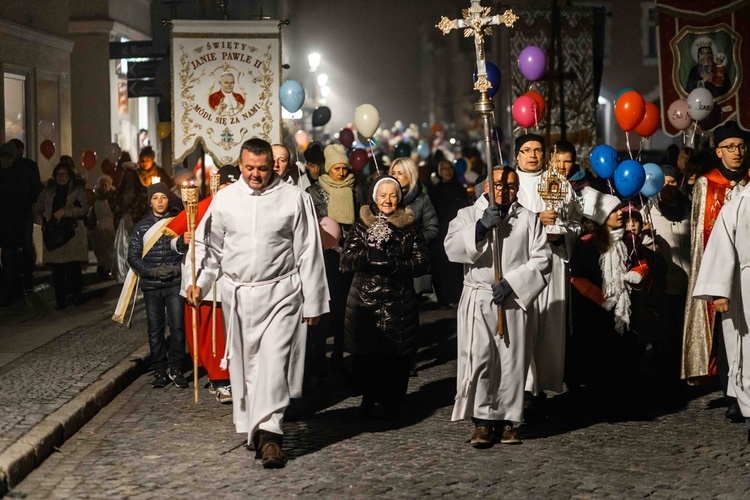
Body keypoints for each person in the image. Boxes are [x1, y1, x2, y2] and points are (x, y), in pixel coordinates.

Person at [186, 138, 329, 469]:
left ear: (272, 167)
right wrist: (198, 282)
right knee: (248, 368)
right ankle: (255, 427)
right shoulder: (225, 200)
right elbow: (211, 248)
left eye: (262, 168)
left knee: (274, 363)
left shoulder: (293, 199)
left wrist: (315, 300)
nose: (256, 174)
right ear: (239, 164)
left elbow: (308, 250)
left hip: (282, 293)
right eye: (249, 168)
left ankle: (272, 436)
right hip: (239, 296)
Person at [445, 166, 551, 447]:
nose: (506, 190)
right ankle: (482, 423)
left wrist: (513, 283)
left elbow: (542, 259)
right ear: (488, 187)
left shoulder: (528, 219)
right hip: (479, 297)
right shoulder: (468, 215)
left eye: (512, 185)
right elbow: (451, 248)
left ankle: (507, 422)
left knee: (511, 363)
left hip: (512, 299)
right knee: (479, 359)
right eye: (500, 185)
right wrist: (480, 228)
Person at [340, 176, 429, 419]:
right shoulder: (361, 224)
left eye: (392, 195)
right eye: (383, 195)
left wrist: (394, 264)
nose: (387, 200)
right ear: (375, 198)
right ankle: (368, 399)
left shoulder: (410, 226)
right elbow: (346, 261)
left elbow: (421, 262)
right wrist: (366, 255)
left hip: (398, 301)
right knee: (367, 355)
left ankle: (393, 402)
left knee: (396, 359)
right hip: (365, 301)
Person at [682, 121, 749, 422]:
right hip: (721, 268)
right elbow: (700, 238)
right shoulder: (706, 184)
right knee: (727, 335)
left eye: (741, 147)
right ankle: (732, 393)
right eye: (731, 147)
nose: (738, 153)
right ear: (718, 151)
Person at [514, 133, 581, 416]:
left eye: (538, 150)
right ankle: (523, 388)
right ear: (517, 155)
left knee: (548, 327)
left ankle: (540, 386)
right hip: (519, 264)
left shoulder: (559, 184)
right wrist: (535, 221)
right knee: (523, 325)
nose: (532, 156)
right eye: (526, 150)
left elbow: (576, 222)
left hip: (552, 264)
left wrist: (561, 234)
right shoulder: (509, 184)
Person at [166, 165, 240, 403]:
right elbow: (169, 237)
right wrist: (181, 241)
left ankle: (227, 376)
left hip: (234, 280)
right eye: (225, 185)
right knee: (210, 332)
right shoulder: (203, 206)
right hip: (204, 278)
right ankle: (218, 378)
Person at [568, 188, 649, 402]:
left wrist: (638, 273)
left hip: (625, 308)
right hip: (595, 313)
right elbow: (577, 278)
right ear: (603, 218)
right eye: (614, 211)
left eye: (619, 209)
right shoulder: (587, 245)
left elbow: (641, 262)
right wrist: (602, 300)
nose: (620, 213)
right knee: (599, 356)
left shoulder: (627, 241)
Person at [692, 182, 750, 430]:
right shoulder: (738, 204)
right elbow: (722, 246)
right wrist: (719, 290)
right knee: (745, 347)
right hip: (745, 286)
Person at [127, 182, 189, 389]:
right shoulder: (142, 227)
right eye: (155, 198)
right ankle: (160, 370)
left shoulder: (178, 222)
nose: (160, 201)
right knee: (155, 329)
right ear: (150, 201)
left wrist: (177, 266)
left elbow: (184, 248)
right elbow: (133, 257)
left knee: (178, 327)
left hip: (174, 283)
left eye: (163, 197)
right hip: (152, 285)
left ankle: (177, 368)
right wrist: (151, 271)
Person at [307, 143, 362, 374]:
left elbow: (359, 222)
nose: (341, 173)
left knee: (343, 310)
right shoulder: (313, 193)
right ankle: (318, 360)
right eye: (336, 168)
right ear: (327, 168)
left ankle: (340, 353)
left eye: (344, 169)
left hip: (347, 258)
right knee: (323, 309)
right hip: (323, 258)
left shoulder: (354, 190)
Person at [33, 162, 89, 310]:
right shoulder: (49, 191)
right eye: (59, 174)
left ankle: (77, 295)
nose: (61, 177)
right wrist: (40, 219)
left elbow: (84, 209)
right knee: (57, 269)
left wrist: (65, 211)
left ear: (70, 175)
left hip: (71, 233)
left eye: (64, 174)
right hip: (54, 233)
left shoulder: (77, 190)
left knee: (72, 266)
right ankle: (61, 300)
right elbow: (37, 207)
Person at [429, 160, 470, 307]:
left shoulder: (459, 189)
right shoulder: (434, 191)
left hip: (458, 232)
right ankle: (445, 298)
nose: (447, 171)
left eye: (449, 168)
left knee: (456, 267)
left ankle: (457, 296)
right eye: (444, 168)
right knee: (442, 268)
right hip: (440, 235)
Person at [7, 139, 42, 291]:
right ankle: (22, 276)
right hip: (17, 211)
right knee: (20, 243)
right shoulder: (27, 166)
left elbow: (35, 188)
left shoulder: (24, 166)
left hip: (21, 210)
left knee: (22, 243)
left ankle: (22, 276)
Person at [113, 162, 148, 284]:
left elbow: (144, 206)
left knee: (136, 248)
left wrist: (134, 215)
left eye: (131, 175)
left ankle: (137, 273)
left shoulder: (142, 190)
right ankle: (124, 273)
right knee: (124, 248)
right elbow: (116, 206)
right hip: (123, 223)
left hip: (136, 222)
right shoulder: (120, 191)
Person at [92, 175, 116, 278]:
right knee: (100, 248)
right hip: (100, 225)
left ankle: (110, 267)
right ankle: (103, 267)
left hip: (111, 225)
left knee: (110, 247)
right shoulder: (96, 199)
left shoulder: (112, 197)